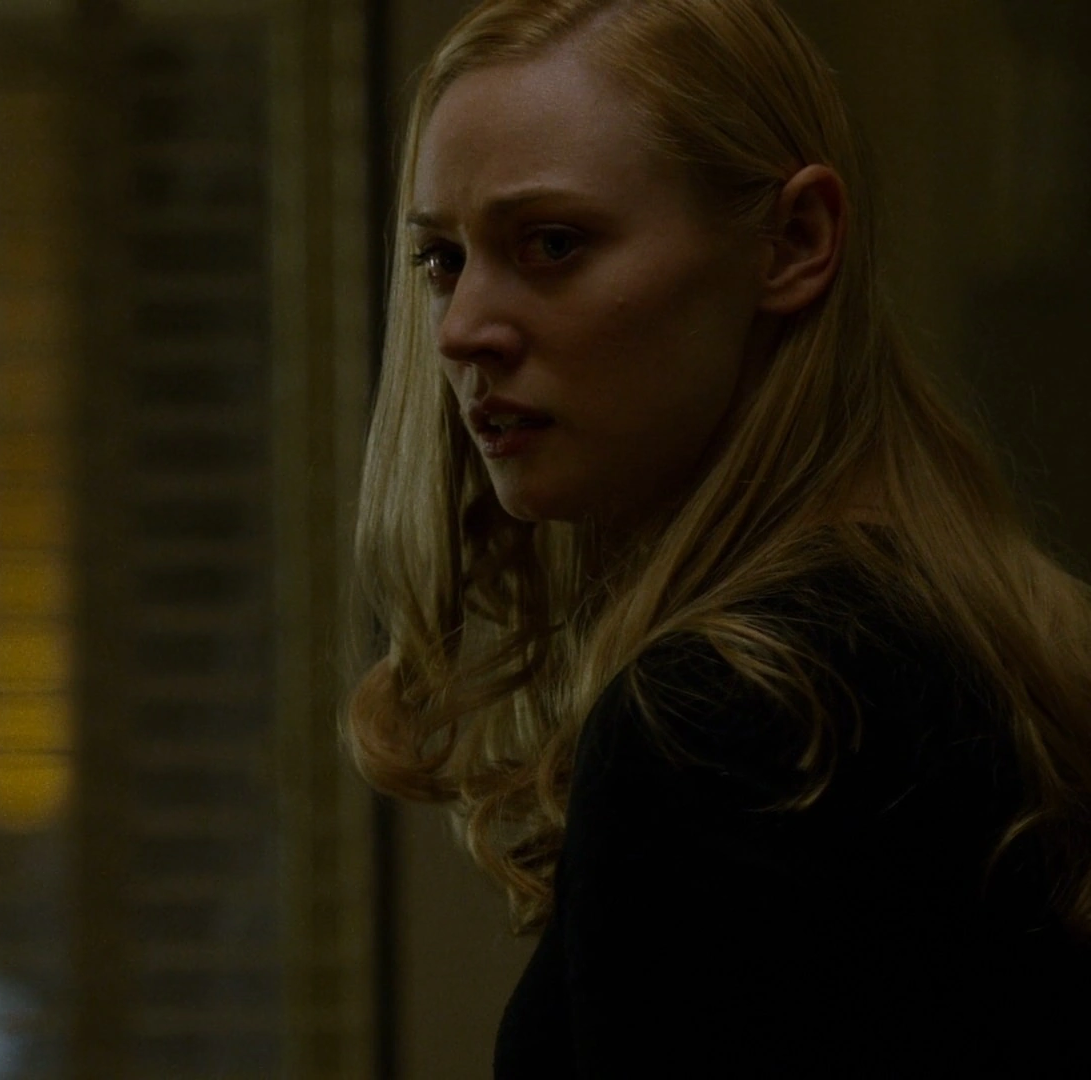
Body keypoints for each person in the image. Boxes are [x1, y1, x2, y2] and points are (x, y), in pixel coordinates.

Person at [345, 0, 1091, 1074]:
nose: (462, 330)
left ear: (794, 242)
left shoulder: (731, 710)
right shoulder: (977, 625)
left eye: (551, 244)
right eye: (443, 260)